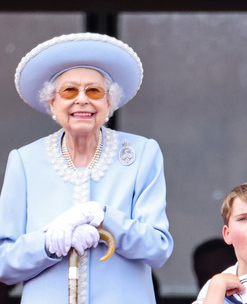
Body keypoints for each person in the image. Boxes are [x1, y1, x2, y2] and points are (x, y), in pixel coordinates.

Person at [0, 33, 173, 303]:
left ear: (108, 103)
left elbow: (157, 249)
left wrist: (103, 218)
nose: (82, 100)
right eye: (69, 91)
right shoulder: (24, 161)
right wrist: (47, 244)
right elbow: (3, 263)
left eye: (94, 91)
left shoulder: (142, 154)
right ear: (52, 103)